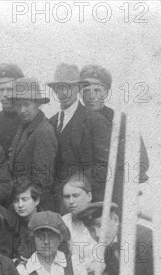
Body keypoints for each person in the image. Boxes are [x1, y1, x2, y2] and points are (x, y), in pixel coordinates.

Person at [79, 64, 149, 214]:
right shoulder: (74, 121)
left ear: (106, 92)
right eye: (86, 91)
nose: (91, 96)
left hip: (114, 199)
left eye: (97, 90)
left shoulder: (121, 121)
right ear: (79, 93)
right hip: (80, 199)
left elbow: (142, 162)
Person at [47, 63, 110, 208]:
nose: (63, 93)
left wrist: (75, 186)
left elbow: (103, 167)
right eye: (59, 88)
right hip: (56, 202)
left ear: (78, 88)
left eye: (68, 87)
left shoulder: (95, 121)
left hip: (86, 202)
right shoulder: (51, 123)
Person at [7, 77, 57, 210]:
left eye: (27, 104)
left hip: (35, 207)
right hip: (22, 204)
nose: (22, 110)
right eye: (18, 105)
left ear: (37, 104)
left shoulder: (43, 131)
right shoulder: (23, 127)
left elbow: (43, 182)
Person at [61, 174, 97, 275]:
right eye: (67, 197)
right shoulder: (63, 222)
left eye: (76, 195)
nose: (71, 201)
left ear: (89, 196)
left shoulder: (101, 221)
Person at [10, 177, 46, 261]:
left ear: (36, 200)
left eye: (24, 199)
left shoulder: (48, 223)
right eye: (16, 200)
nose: (20, 205)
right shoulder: (12, 225)